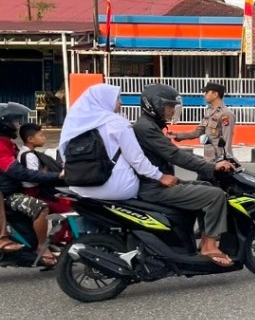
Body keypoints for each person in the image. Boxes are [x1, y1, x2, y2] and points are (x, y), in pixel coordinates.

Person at [133, 84, 236, 267]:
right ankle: (210, 247)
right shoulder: (146, 128)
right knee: (215, 195)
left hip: (157, 183)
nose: (172, 110)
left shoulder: (149, 126)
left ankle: (204, 240)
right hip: (154, 188)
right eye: (169, 106)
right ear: (155, 105)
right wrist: (211, 167)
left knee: (207, 187)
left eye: (173, 106)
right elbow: (175, 155)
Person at [57, 84, 176, 201]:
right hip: (118, 189)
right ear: (104, 99)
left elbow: (64, 155)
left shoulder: (74, 123)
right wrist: (160, 176)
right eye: (117, 98)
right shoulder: (117, 122)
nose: (121, 102)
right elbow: (136, 158)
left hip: (79, 188)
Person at [0, 102, 63, 266]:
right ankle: (41, 247)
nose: (17, 125)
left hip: (13, 190)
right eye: (14, 122)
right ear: (4, 124)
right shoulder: (0, 146)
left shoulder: (9, 144)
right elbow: (19, 172)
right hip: (7, 194)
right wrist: (56, 176)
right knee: (40, 207)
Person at [17, 123, 72, 214]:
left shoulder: (28, 153)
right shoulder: (29, 156)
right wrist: (47, 169)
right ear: (30, 139)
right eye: (41, 135)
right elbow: (35, 179)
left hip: (37, 191)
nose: (44, 138)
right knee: (68, 210)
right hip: (34, 194)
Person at [173, 81, 235, 161]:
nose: (204, 94)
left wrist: (226, 160)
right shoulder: (209, 112)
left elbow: (227, 140)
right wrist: (179, 135)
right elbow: (199, 132)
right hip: (209, 159)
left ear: (215, 94)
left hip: (220, 160)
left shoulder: (226, 114)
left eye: (206, 92)